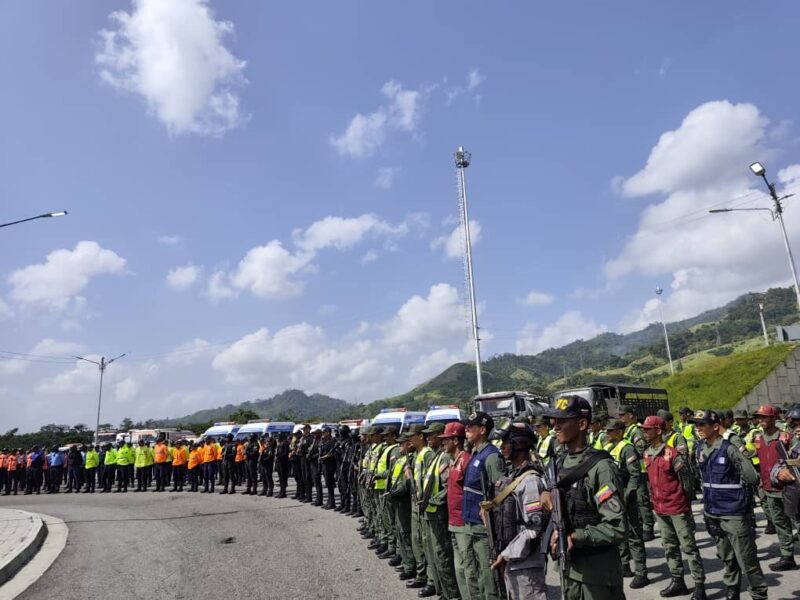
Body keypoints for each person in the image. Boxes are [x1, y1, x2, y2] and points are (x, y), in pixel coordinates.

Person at [547, 395, 626, 600]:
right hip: (570, 572)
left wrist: (576, 537)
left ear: (582, 424)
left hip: (597, 577)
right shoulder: (560, 462)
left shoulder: (601, 468)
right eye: (555, 421)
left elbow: (617, 528)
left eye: (562, 421)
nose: (555, 426)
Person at [693, 409, 766, 600]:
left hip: (734, 513)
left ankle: (759, 595)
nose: (698, 428)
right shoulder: (701, 449)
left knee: (747, 561)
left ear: (715, 427)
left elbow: (751, 476)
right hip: (713, 513)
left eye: (703, 424)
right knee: (727, 558)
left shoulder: (729, 448)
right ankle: (732, 591)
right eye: (696, 424)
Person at [642, 416, 706, 600]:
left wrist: (684, 504)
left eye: (648, 429)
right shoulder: (647, 453)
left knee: (689, 547)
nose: (645, 432)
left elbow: (687, 483)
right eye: (644, 429)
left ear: (659, 431)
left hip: (677, 507)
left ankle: (699, 585)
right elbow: (649, 482)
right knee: (669, 546)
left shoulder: (672, 454)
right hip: (660, 509)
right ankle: (678, 581)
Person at [483, 422, 548, 600]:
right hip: (513, 560)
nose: (501, 447)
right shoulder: (514, 477)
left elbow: (533, 529)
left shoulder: (530, 481)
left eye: (506, 442)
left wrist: (505, 554)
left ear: (518, 444)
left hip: (526, 566)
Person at [462, 412, 504, 600]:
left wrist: (489, 508)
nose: (467, 430)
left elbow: (501, 494)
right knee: (479, 573)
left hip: (485, 526)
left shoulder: (491, 456)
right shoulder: (477, 453)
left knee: (490, 577)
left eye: (471, 427)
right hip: (472, 521)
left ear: (482, 430)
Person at [752, 403, 798, 570]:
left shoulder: (786, 437)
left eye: (765, 417)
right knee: (780, 523)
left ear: (774, 418)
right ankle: (787, 556)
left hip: (788, 487)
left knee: (797, 521)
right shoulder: (757, 438)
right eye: (759, 417)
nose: (761, 420)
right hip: (769, 488)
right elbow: (751, 456)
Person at [604, 418, 649, 588]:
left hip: (626, 498)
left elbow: (635, 475)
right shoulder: (608, 447)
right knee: (619, 533)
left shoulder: (627, 448)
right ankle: (624, 565)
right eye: (607, 431)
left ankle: (641, 572)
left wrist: (627, 496)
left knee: (634, 535)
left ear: (620, 432)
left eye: (610, 431)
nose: (607, 433)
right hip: (613, 498)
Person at [420, 421, 459, 600]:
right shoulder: (436, 456)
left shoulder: (443, 457)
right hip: (431, 511)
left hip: (439, 513)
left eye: (432, 435)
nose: (429, 438)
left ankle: (451, 594)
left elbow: (447, 487)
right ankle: (444, 591)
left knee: (443, 555)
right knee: (435, 554)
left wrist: (434, 501)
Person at [404, 423, 434, 593]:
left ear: (420, 436)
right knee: (417, 540)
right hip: (416, 503)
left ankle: (430, 580)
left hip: (424, 505)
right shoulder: (416, 454)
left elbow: (430, 482)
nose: (409, 439)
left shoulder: (427, 454)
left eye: (412, 435)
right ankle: (422, 575)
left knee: (425, 542)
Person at [620, 405, 655, 541]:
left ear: (631, 415)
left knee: (642, 500)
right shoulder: (627, 431)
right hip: (630, 471)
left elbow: (640, 450)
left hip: (640, 469)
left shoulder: (636, 431)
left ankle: (648, 527)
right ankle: (641, 525)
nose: (621, 417)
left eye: (623, 415)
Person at [389, 431, 419, 583]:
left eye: (402, 443)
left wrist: (395, 493)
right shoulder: (401, 458)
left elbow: (409, 483)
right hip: (398, 500)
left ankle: (410, 567)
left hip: (405, 501)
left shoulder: (411, 458)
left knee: (406, 534)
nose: (399, 446)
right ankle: (406, 562)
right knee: (400, 532)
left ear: (408, 444)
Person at [319, 427, 338, 509]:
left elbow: (333, 453)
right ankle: (329, 501)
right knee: (327, 483)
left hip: (330, 464)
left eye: (324, 432)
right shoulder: (323, 441)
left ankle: (332, 502)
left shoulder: (333, 440)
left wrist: (325, 457)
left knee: (330, 483)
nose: (323, 434)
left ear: (329, 432)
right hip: (324, 464)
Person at [275, 432, 289, 498]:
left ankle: (283, 492)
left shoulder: (285, 443)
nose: (278, 437)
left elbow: (286, 453)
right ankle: (281, 491)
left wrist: (279, 456)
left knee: (283, 478)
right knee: (280, 478)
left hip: (283, 462)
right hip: (279, 462)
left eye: (279, 436)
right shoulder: (280, 443)